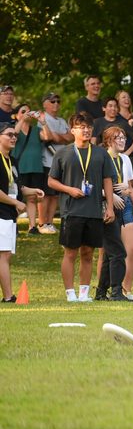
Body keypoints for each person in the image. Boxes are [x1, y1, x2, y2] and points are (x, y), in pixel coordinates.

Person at [47, 112, 117, 302]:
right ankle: (70, 294)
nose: (86, 130)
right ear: (73, 130)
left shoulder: (101, 153)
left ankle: (84, 294)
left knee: (88, 253)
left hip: (94, 211)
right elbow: (51, 181)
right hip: (71, 211)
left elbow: (108, 181)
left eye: (88, 127)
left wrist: (109, 207)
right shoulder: (63, 152)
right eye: (81, 127)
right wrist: (69, 189)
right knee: (70, 252)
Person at [0, 122, 45, 302]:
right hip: (2, 212)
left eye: (15, 135)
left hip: (9, 213)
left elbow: (16, 187)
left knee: (6, 255)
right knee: (3, 255)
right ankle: (9, 296)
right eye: (9, 134)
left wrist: (33, 190)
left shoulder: (13, 160)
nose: (13, 138)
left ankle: (8, 295)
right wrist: (16, 202)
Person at [93, 127, 133, 302]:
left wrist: (125, 190)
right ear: (109, 140)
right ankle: (117, 292)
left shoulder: (122, 159)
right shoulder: (102, 157)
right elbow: (95, 184)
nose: (122, 140)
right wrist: (111, 197)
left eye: (124, 137)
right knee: (118, 252)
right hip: (105, 209)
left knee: (111, 253)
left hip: (118, 209)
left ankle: (101, 292)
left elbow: (122, 184)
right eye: (118, 138)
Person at [37, 92, 71, 234]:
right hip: (47, 162)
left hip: (60, 164)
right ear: (45, 104)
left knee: (56, 194)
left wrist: (57, 137)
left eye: (58, 101)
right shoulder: (42, 120)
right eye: (52, 101)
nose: (56, 103)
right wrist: (61, 138)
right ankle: (41, 223)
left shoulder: (62, 121)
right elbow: (47, 136)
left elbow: (71, 137)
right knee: (45, 194)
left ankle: (49, 223)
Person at [12, 104, 45, 234]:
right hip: (20, 168)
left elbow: (47, 137)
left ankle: (32, 226)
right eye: (23, 111)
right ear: (16, 115)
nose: (27, 113)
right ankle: (13, 225)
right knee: (16, 198)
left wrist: (43, 122)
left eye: (28, 111)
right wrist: (21, 120)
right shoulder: (14, 129)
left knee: (32, 197)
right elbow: (14, 134)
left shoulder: (36, 130)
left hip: (36, 168)